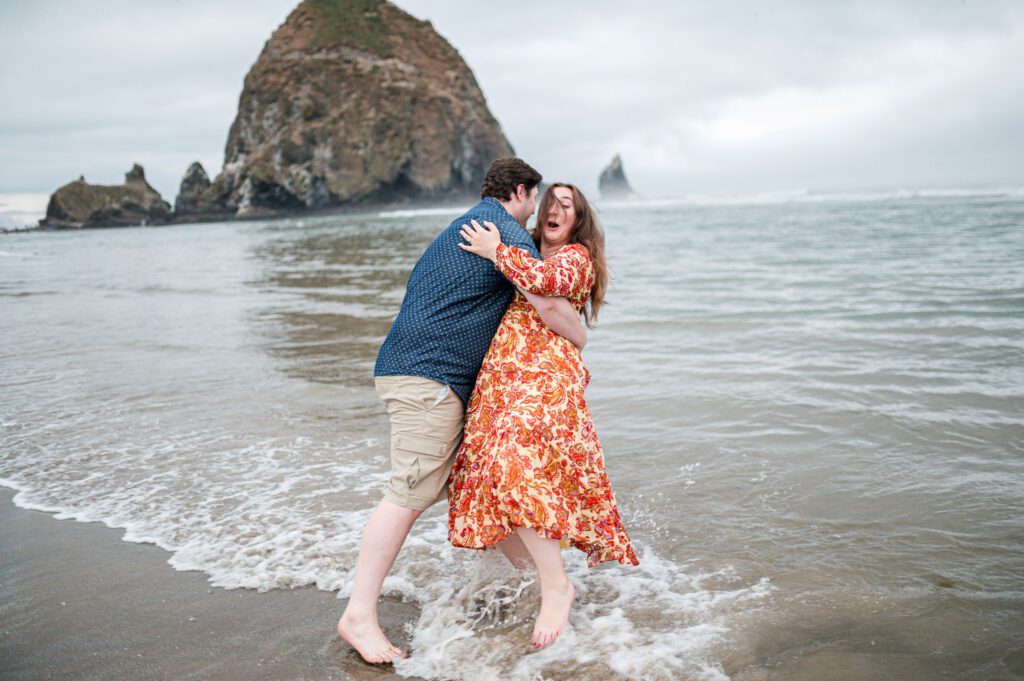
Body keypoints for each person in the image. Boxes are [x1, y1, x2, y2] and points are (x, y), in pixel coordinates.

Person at [337, 158, 588, 664]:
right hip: (428, 379)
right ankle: (358, 615)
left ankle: (538, 583)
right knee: (408, 494)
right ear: (520, 191)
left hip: (419, 374)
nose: (537, 211)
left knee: (486, 481)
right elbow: (551, 303)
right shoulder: (503, 231)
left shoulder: (467, 224)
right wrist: (581, 339)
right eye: (536, 199)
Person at [448, 183, 639, 650]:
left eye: (566, 207)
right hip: (501, 376)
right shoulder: (524, 250)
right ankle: (539, 577)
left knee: (515, 464)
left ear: (578, 219)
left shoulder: (576, 257)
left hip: (546, 375)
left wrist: (497, 251)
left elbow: (546, 284)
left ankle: (558, 587)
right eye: (549, 205)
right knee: (481, 476)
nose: (555, 212)